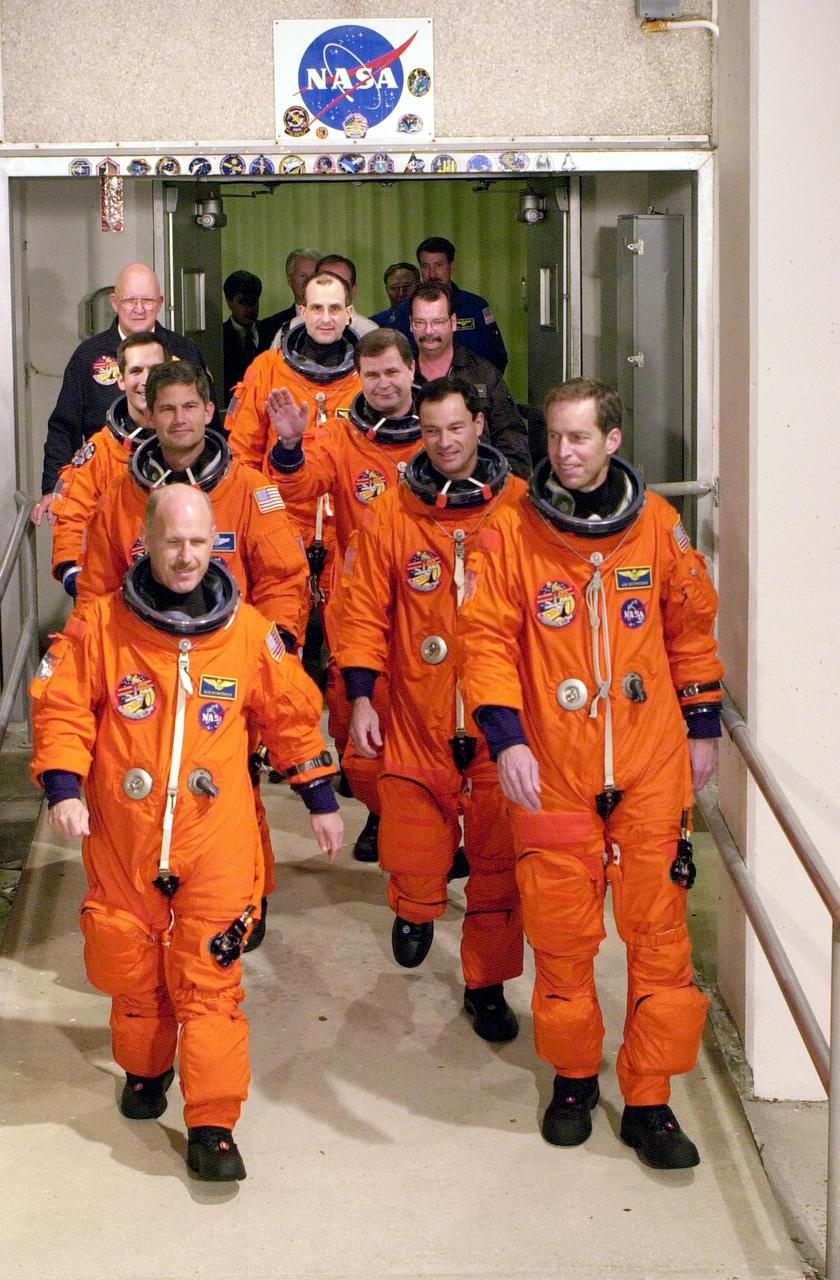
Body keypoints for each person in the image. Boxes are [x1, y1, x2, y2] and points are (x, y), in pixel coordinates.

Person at [30, 483, 342, 1181]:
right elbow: (62, 708)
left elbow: (292, 715)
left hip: (215, 839)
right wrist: (62, 784)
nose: (186, 556)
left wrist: (319, 794)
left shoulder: (249, 633)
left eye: (200, 542)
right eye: (173, 541)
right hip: (126, 835)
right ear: (145, 541)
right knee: (131, 970)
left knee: (211, 982)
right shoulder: (103, 626)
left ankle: (213, 1124)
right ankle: (145, 1072)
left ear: (215, 545)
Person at [458, 378, 724, 1169]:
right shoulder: (512, 532)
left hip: (647, 765)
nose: (565, 452)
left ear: (613, 440)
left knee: (660, 942)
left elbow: (691, 634)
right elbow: (486, 641)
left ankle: (649, 1101)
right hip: (553, 768)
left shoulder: (660, 530)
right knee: (564, 941)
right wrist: (505, 739)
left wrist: (703, 724)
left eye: (580, 438)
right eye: (555, 437)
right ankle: (573, 1081)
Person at [76, 360, 310, 949]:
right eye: (167, 409)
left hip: (231, 658)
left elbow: (284, 578)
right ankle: (154, 892)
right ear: (149, 417)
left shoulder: (252, 488)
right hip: (143, 665)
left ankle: (245, 895)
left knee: (235, 783)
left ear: (210, 413)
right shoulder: (120, 497)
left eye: (190, 407)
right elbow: (98, 589)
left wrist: (276, 645)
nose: (179, 420)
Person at [335, 376, 524, 1041]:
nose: (445, 443)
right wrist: (361, 694)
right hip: (417, 717)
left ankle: (488, 985)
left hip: (498, 727)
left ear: (479, 425)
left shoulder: (521, 513)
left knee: (499, 870)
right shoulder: (392, 513)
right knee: (415, 850)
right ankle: (415, 906)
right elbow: (358, 607)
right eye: (433, 430)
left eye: (456, 428)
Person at [265, 327, 423, 862]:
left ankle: (434, 829)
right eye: (372, 374)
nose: (382, 384)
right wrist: (289, 445)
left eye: (392, 373)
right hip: (364, 602)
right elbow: (300, 486)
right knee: (361, 735)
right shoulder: (341, 437)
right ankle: (384, 814)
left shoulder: (441, 429)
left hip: (434, 604)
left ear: (412, 371)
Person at [32, 262, 211, 523]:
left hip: (176, 483)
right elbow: (63, 427)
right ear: (115, 302)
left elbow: (210, 425)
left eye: (147, 300)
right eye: (130, 300)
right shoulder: (87, 356)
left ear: (160, 302)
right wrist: (53, 488)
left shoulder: (184, 352)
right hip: (103, 483)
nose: (139, 309)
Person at [50, 332, 168, 599]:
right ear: (120, 379)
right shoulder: (101, 451)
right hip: (115, 590)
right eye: (136, 370)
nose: (146, 380)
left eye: (156, 369)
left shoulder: (195, 446)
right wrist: (73, 570)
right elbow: (72, 514)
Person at [410, 284, 530, 480]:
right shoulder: (402, 378)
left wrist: (506, 487)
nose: (429, 331)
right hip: (420, 489)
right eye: (420, 322)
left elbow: (511, 435)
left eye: (438, 322)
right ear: (410, 324)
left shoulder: (483, 373)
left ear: (453, 322)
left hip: (481, 488)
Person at [390, 236, 508, 372]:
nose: (432, 273)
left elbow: (496, 356)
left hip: (469, 388)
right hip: (422, 388)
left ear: (451, 267)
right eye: (426, 266)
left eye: (439, 265)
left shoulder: (475, 306)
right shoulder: (404, 311)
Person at [257, 247, 320, 346]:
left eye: (314, 275)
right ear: (290, 280)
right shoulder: (270, 327)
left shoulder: (337, 321)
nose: (309, 281)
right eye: (303, 275)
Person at [222, 269, 266, 404]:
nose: (249, 308)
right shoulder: (219, 337)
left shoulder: (269, 330)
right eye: (242, 302)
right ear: (229, 302)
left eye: (253, 302)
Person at [371, 262, 421, 328]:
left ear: (419, 286)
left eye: (407, 286)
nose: (401, 293)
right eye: (394, 288)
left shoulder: (431, 319)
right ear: (387, 290)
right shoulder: (375, 324)